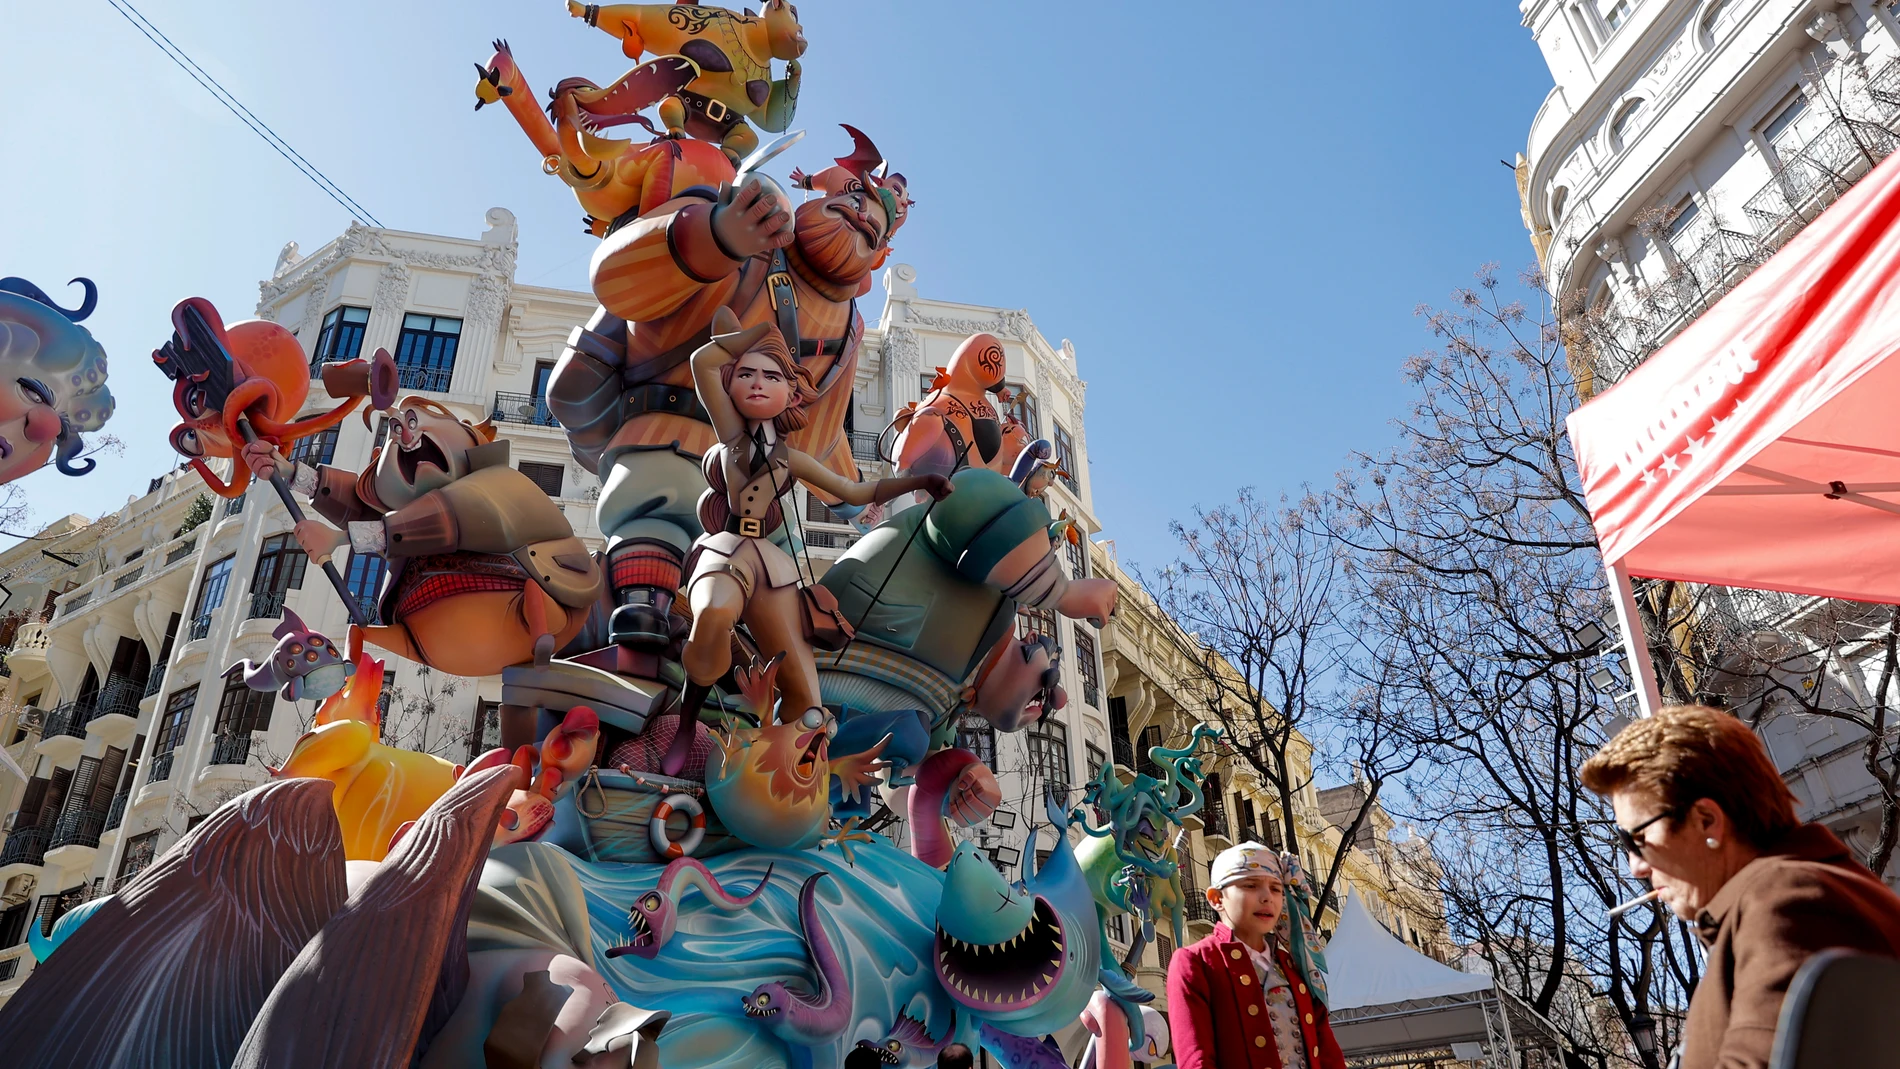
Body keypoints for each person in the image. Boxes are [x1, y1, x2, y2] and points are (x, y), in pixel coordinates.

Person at [662, 307, 950, 775]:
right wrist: (760, 333)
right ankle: (686, 721)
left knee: (808, 703)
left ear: (791, 393)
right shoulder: (731, 436)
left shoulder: (792, 459)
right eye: (746, 374)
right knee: (713, 613)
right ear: (730, 385)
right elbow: (702, 361)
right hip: (727, 550)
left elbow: (854, 491)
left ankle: (792, 782)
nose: (758, 383)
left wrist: (922, 481)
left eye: (772, 376)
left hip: (769, 564)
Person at [1582, 704, 1900, 1069]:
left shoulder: (1784, 903)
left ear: (1706, 820)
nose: (1636, 867)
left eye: (1636, 839)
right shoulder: (1802, 893)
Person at [1167, 842, 1345, 1069]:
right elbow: (1197, 1060)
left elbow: (1330, 1057)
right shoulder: (1197, 962)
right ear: (1216, 898)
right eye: (1251, 885)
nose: (1267, 897)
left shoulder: (1297, 967)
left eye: (1276, 889)